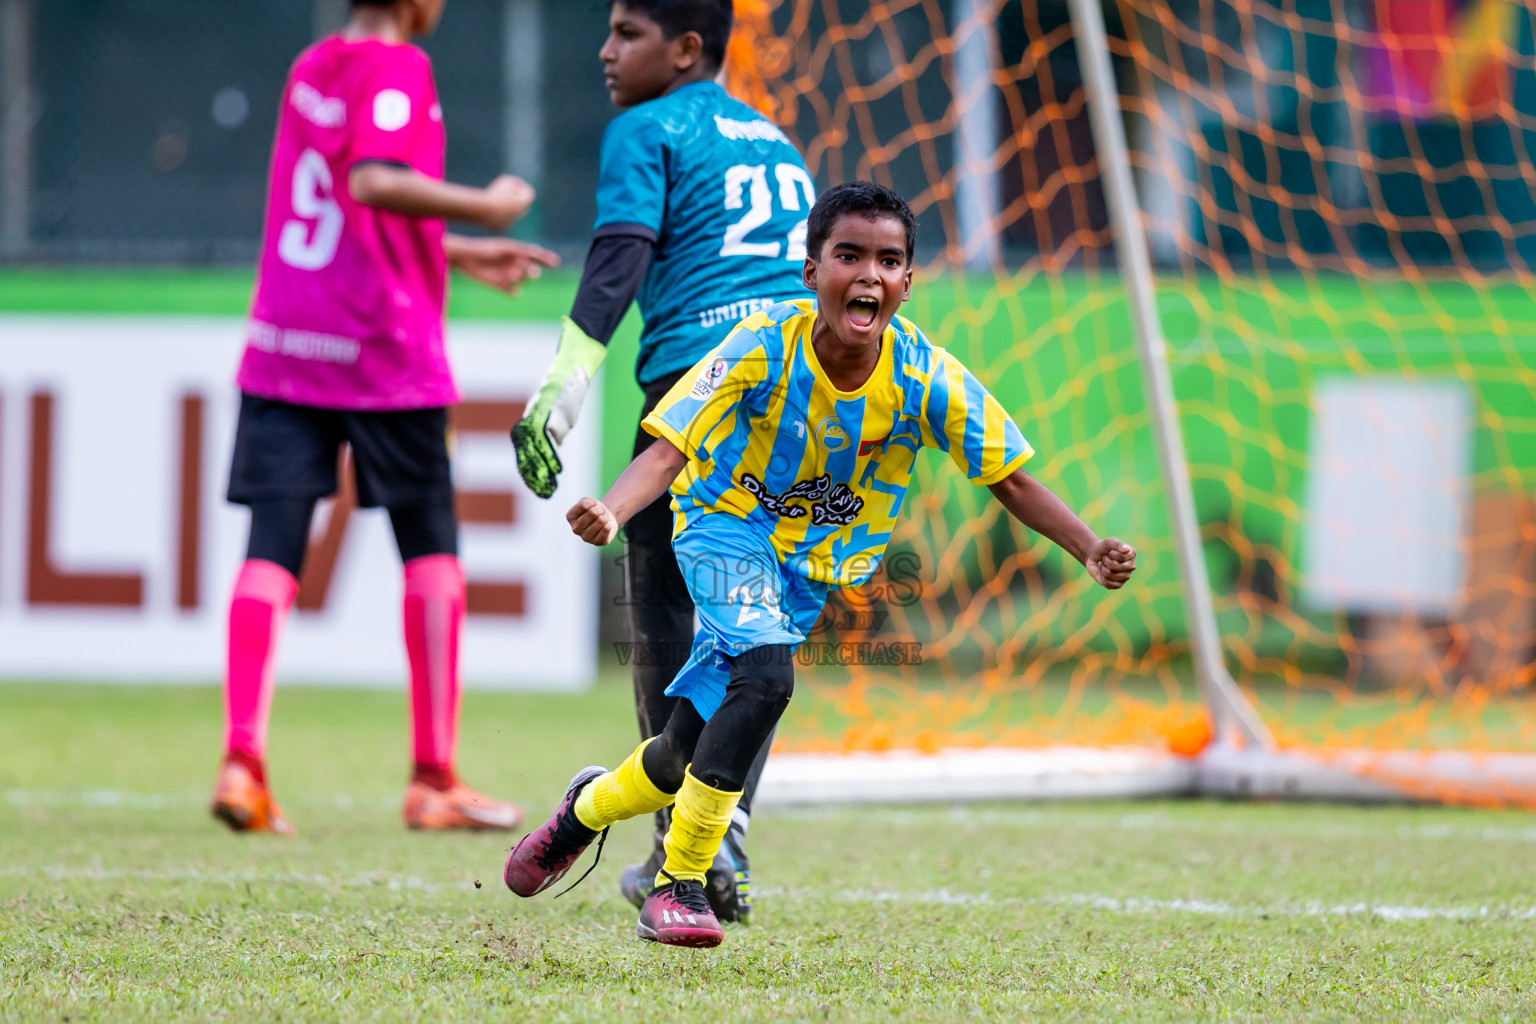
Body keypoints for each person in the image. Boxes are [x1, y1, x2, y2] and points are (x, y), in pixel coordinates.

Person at [502, 181, 1139, 947]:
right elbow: (670, 441)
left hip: (806, 574)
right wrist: (614, 506)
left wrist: (1088, 546)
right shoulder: (761, 342)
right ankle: (681, 882)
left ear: (907, 282)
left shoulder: (925, 377)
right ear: (812, 272)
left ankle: (583, 810)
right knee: (767, 678)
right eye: (849, 255)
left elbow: (1012, 478)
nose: (867, 274)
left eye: (888, 260)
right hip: (722, 528)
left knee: (680, 750)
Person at [210, 0, 558, 836]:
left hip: (288, 340)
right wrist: (486, 208)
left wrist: (462, 255)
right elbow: (372, 181)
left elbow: (342, 216)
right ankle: (433, 777)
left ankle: (241, 762)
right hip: (381, 348)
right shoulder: (399, 69)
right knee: (431, 546)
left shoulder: (311, 68)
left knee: (272, 549)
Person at [509, 0, 817, 921]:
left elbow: (619, 255)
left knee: (664, 616)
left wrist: (567, 381)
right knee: (753, 630)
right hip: (788, 403)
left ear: (687, 50)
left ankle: (674, 837)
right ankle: (723, 844)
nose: (606, 52)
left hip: (696, 384)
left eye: (627, 33)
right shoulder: (780, 147)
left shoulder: (646, 125)